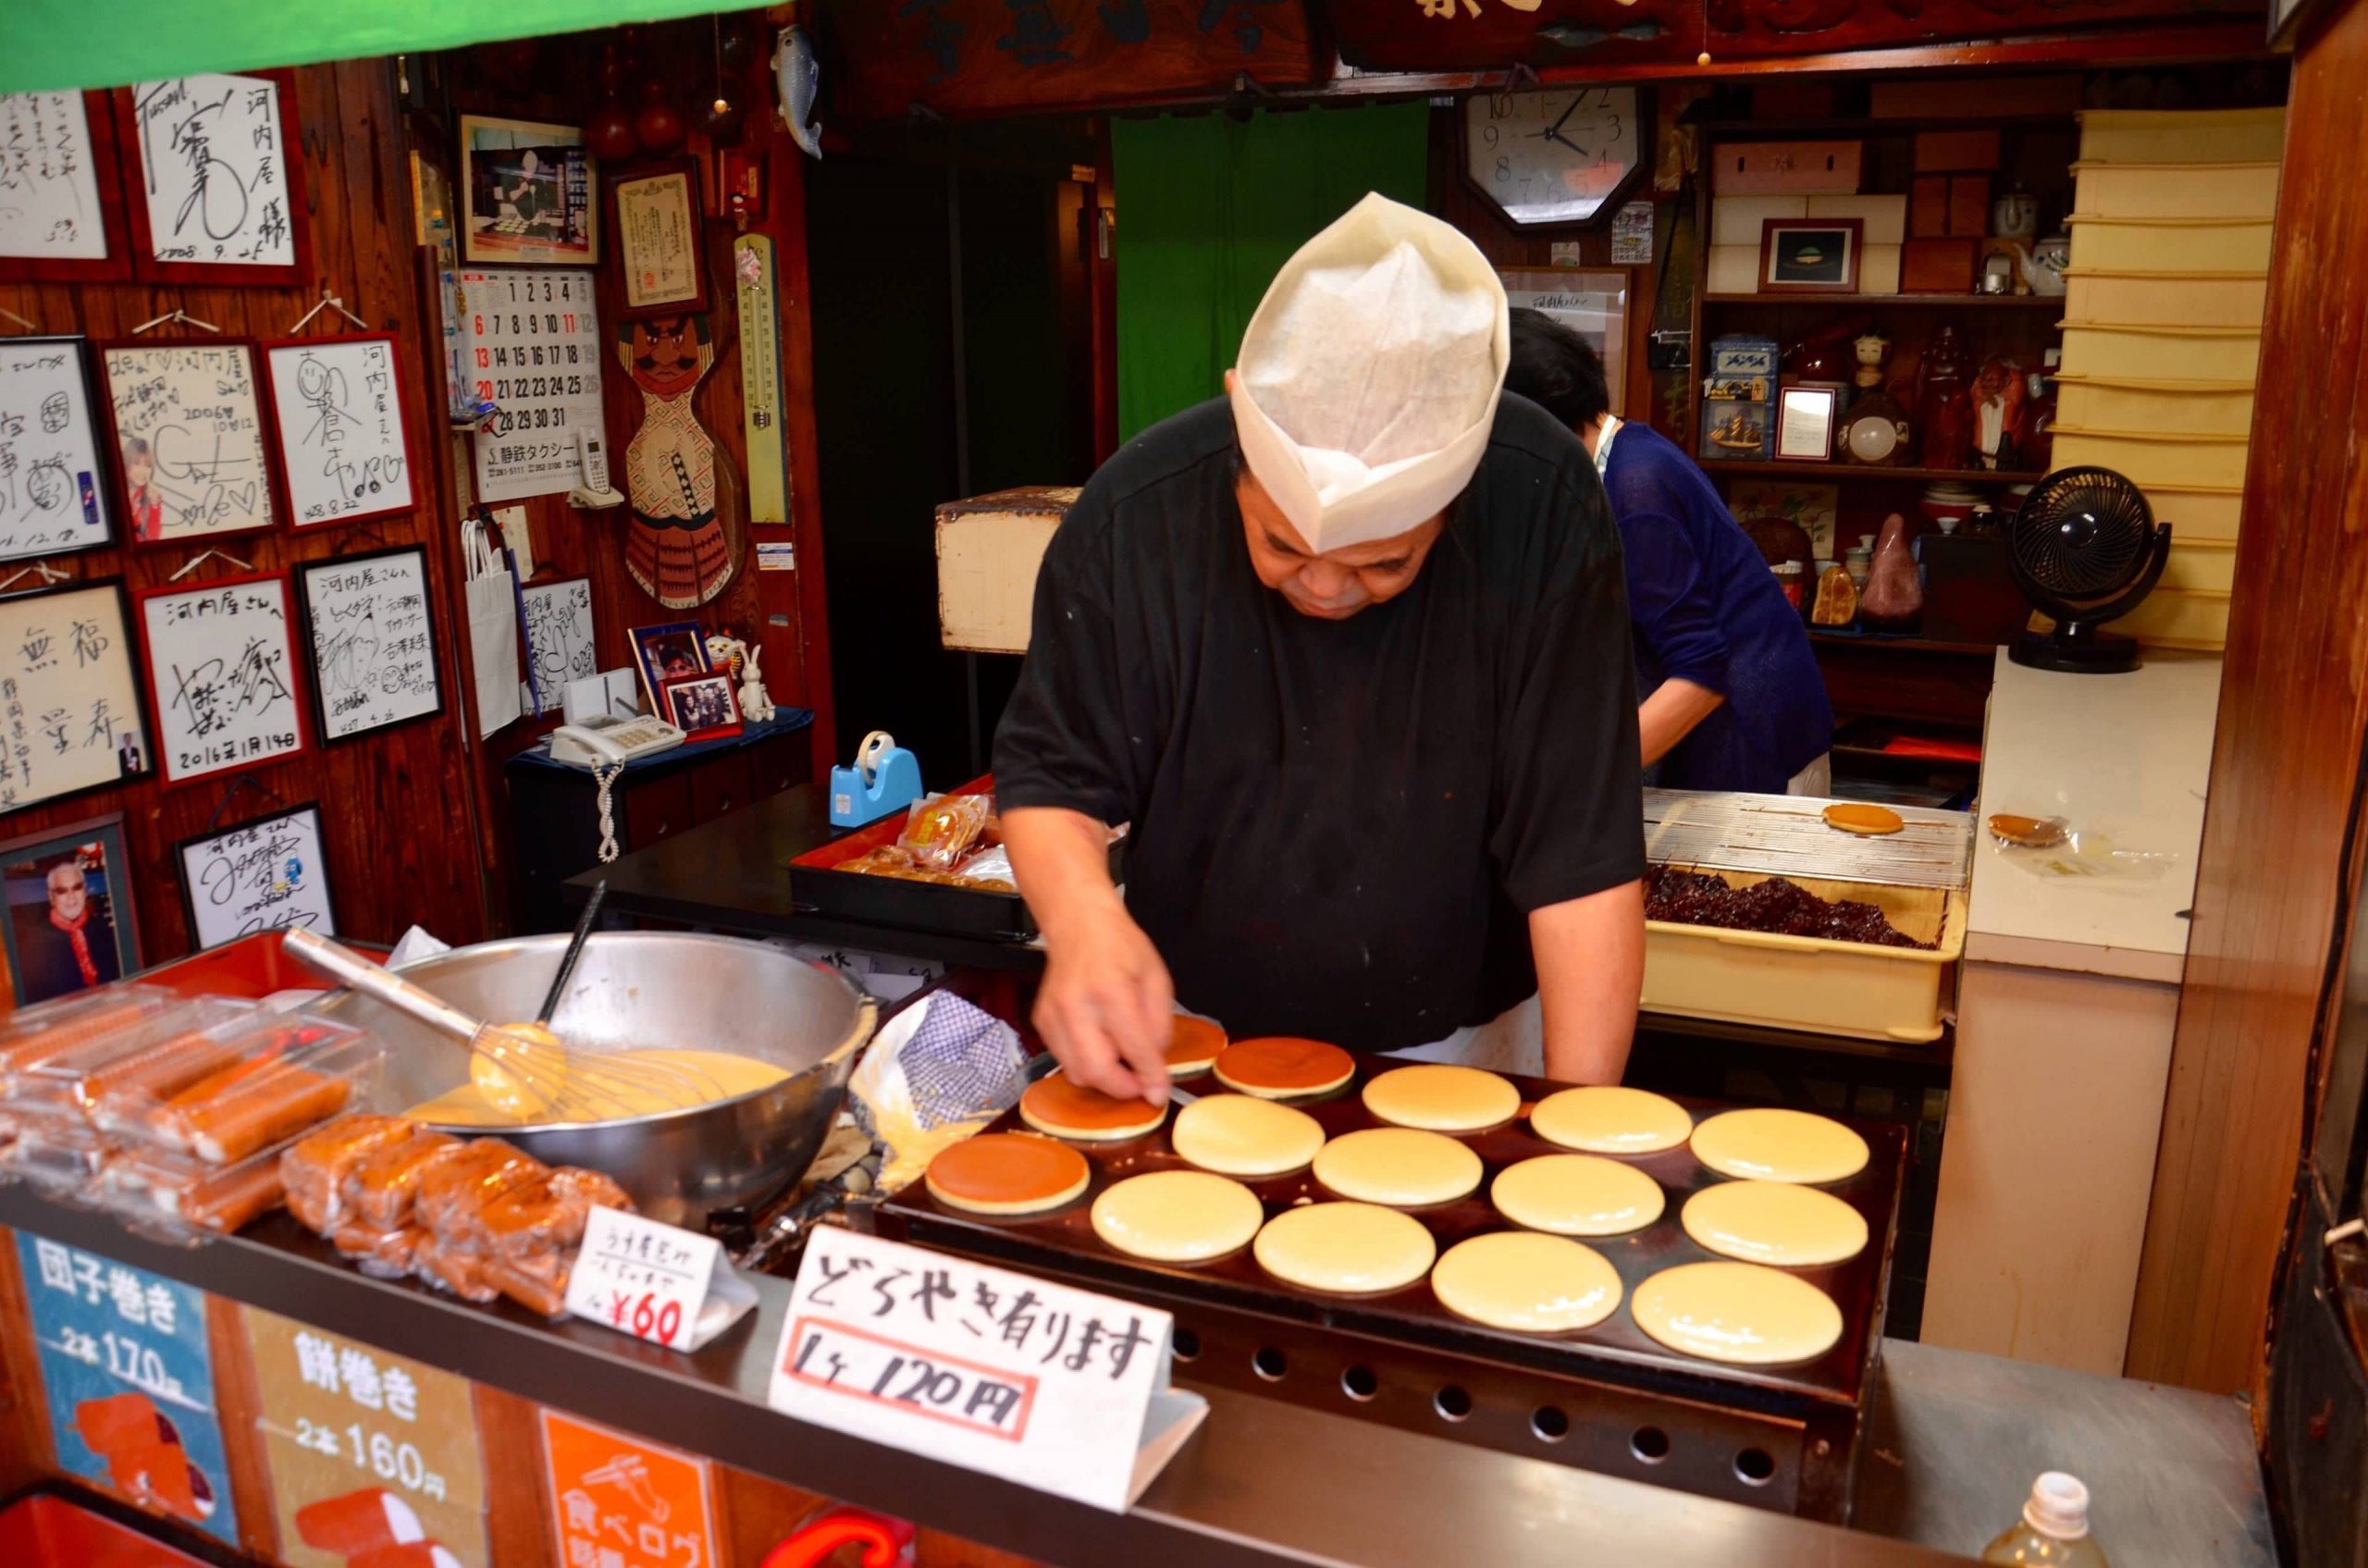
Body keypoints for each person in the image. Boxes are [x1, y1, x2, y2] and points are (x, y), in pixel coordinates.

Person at [994, 194, 1646, 1104]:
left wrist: (1580, 1128)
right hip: (1187, 1034)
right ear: (1238, 422)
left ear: (1457, 498)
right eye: (1281, 547)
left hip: (1466, 1042)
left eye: (1385, 563)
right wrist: (1081, 920)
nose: (1326, 587)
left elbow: (1580, 848)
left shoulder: (1540, 505)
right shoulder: (1135, 515)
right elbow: (1052, 774)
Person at [1504, 309, 1833, 795]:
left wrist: (1579, 785)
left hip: (1751, 735)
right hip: (1742, 722)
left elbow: (1701, 672)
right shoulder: (1624, 452)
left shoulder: (1636, 488)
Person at [13, 858, 120, 1003]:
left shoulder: (103, 930)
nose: (71, 897)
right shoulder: (35, 942)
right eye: (62, 891)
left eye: (77, 887)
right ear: (51, 897)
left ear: (85, 890)